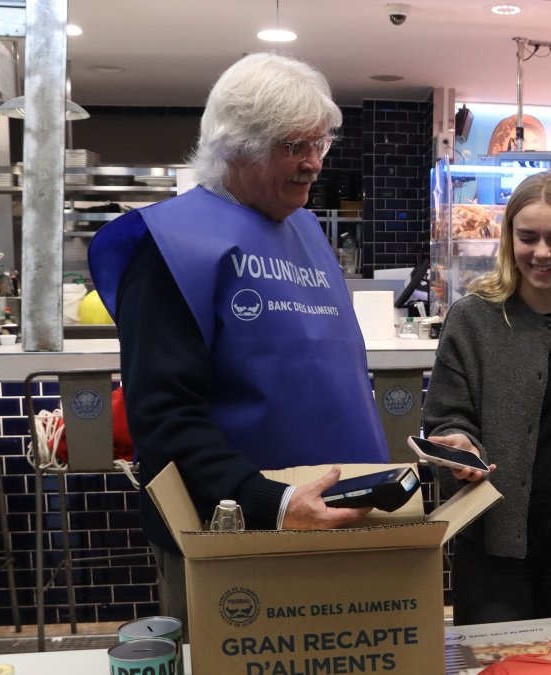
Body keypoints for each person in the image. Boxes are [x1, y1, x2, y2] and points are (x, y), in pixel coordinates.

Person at [87, 52, 388, 633]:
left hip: (333, 530)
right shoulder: (171, 246)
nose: (313, 164)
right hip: (232, 539)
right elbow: (164, 416)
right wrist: (269, 501)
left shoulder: (303, 230)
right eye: (293, 147)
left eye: (320, 144)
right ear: (235, 146)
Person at [422, 172, 551, 624]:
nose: (541, 252)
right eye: (527, 237)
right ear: (509, 235)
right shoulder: (473, 318)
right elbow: (446, 415)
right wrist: (457, 441)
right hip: (492, 537)